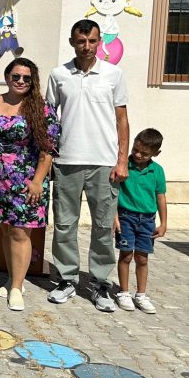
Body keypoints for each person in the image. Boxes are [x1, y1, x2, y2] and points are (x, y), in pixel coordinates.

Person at [45, 19, 130, 313]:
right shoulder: (59, 74)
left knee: (103, 227)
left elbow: (122, 120)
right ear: (72, 42)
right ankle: (67, 279)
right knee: (65, 225)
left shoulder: (113, 74)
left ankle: (99, 283)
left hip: (104, 163)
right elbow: (50, 119)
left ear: (98, 42)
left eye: (92, 41)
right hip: (67, 161)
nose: (87, 46)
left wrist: (122, 160)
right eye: (81, 41)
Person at [0, 59, 60, 311]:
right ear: (7, 77)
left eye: (26, 78)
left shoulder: (41, 108)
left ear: (33, 80)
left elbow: (48, 149)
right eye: (16, 76)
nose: (21, 81)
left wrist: (38, 181)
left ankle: (16, 288)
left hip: (25, 180)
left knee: (21, 232)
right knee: (5, 230)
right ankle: (14, 278)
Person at [113, 128, 167, 314]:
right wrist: (115, 217)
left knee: (142, 258)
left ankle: (141, 295)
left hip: (147, 220)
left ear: (156, 153)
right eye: (135, 149)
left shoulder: (157, 171)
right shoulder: (123, 165)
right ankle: (124, 292)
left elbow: (160, 196)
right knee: (126, 255)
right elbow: (113, 192)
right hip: (126, 216)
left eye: (144, 153)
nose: (137, 155)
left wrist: (163, 223)